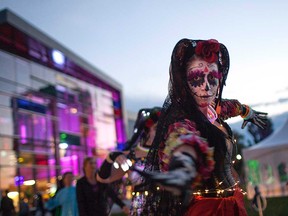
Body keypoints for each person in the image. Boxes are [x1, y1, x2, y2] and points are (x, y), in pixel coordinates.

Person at [132, 38, 268, 216]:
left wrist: (247, 112)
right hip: (208, 210)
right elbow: (182, 138)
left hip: (233, 203)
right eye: (197, 78)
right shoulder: (182, 118)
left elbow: (233, 106)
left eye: (212, 78)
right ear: (184, 82)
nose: (206, 86)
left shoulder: (214, 109)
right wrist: (183, 165)